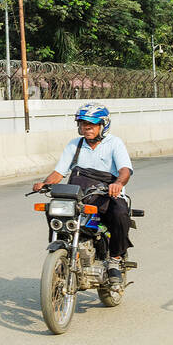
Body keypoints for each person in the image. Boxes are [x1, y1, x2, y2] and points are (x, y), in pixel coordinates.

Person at [32, 103, 133, 286]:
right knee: (54, 211)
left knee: (120, 214)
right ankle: (63, 251)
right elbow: (59, 172)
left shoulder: (114, 143)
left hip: (107, 194)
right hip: (81, 195)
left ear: (103, 125)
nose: (86, 128)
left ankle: (115, 259)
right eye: (83, 124)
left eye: (91, 125)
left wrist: (118, 184)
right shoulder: (75, 144)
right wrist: (45, 184)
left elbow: (125, 170)